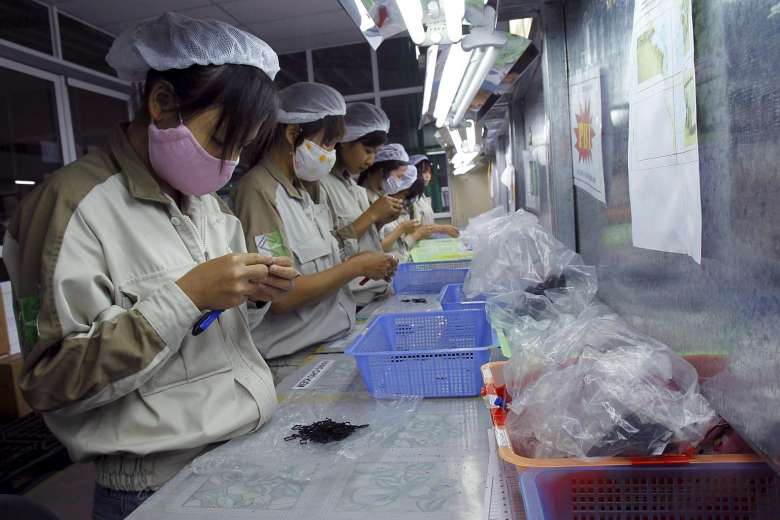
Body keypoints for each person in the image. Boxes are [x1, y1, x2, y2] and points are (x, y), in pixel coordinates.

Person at [2, 13, 298, 520]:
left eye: (241, 148)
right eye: (221, 140)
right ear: (162, 103)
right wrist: (186, 297)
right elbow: (50, 383)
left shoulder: (210, 207)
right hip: (156, 486)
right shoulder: (70, 206)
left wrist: (252, 296)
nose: (228, 163)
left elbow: (219, 339)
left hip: (241, 450)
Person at [234, 83, 397, 360]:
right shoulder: (259, 192)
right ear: (292, 134)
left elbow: (329, 258)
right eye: (327, 144)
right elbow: (279, 295)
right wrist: (355, 267)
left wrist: (365, 260)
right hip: (292, 357)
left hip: (328, 342)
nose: (331, 154)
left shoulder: (307, 190)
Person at [320, 102, 402, 306]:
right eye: (367, 151)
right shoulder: (321, 185)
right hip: (352, 300)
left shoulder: (351, 185)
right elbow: (331, 250)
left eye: (375, 153)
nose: (370, 161)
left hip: (372, 293)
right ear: (344, 141)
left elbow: (359, 239)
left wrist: (379, 222)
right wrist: (372, 215)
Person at [358, 144, 458, 259]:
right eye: (399, 177)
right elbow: (374, 247)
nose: (399, 183)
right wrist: (404, 229)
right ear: (382, 170)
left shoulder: (380, 199)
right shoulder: (365, 198)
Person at [409, 154, 436, 225]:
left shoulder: (421, 196)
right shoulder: (409, 199)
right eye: (424, 172)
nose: (428, 176)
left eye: (429, 172)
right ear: (413, 172)